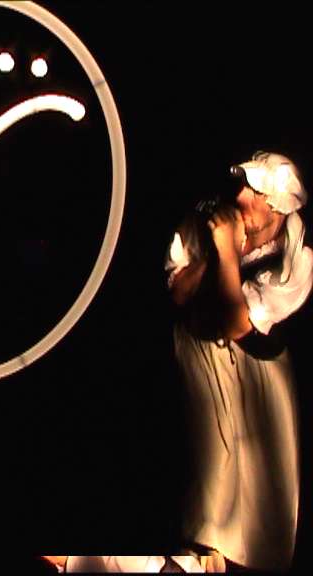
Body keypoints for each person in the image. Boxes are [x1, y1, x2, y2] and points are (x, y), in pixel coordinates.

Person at [165, 151, 312, 571]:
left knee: (259, 503)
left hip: (257, 383)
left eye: (255, 193)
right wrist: (218, 250)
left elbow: (236, 323)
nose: (242, 198)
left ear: (278, 207)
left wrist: (228, 254)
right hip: (204, 368)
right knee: (211, 493)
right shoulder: (208, 223)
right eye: (244, 187)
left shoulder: (297, 257)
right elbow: (179, 290)